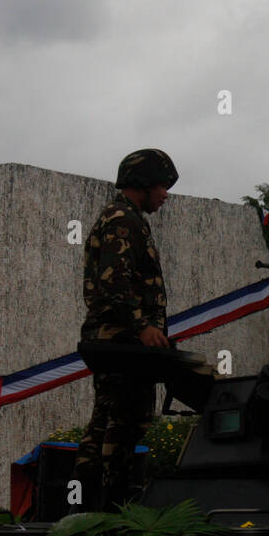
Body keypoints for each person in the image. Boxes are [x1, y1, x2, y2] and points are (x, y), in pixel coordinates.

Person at [73, 149, 178, 512]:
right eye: (163, 185)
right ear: (144, 183)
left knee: (105, 422)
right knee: (123, 424)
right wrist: (143, 327)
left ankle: (83, 508)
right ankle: (110, 510)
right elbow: (114, 282)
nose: (166, 194)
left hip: (116, 342)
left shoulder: (126, 217)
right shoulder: (123, 219)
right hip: (123, 344)